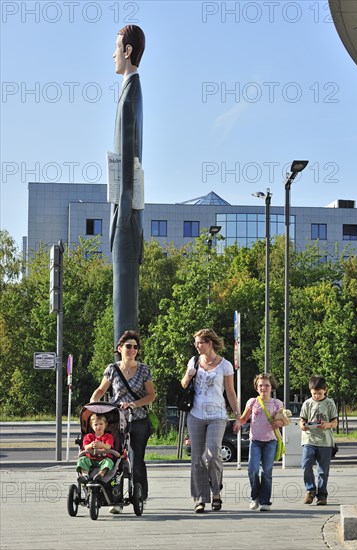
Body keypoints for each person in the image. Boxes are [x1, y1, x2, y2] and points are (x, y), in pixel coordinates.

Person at [90, 330, 155, 511]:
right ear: (119, 348)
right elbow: (101, 390)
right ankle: (115, 497)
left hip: (139, 418)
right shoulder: (112, 369)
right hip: (117, 419)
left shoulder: (143, 370)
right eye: (128, 346)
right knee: (116, 457)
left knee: (136, 459)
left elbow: (151, 395)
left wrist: (134, 404)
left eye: (135, 347)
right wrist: (92, 403)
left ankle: (140, 493)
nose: (132, 349)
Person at [110, 25, 145, 342]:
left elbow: (130, 156)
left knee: (123, 286)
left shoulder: (131, 94)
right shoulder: (130, 90)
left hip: (125, 211)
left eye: (116, 47)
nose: (113, 54)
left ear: (128, 50)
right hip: (127, 209)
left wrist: (123, 211)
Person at [181, 328, 239, 513]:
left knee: (214, 452)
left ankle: (216, 492)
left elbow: (230, 392)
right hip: (196, 414)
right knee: (197, 458)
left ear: (210, 343)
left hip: (217, 415)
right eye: (196, 343)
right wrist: (189, 374)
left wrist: (237, 414)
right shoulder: (194, 361)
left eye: (200, 343)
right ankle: (200, 498)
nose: (197, 346)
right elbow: (183, 384)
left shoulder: (225, 365)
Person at [234, 372, 284, 512]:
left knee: (267, 471)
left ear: (272, 387)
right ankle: (254, 497)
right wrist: (238, 423)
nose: (264, 388)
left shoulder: (277, 403)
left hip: (271, 441)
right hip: (255, 440)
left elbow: (285, 420)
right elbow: (244, 418)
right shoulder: (252, 402)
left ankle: (265, 501)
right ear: (256, 387)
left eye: (267, 385)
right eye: (260, 385)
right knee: (253, 469)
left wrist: (279, 423)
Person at [299, 375, 338, 506]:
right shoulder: (307, 403)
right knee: (306, 464)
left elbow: (335, 422)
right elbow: (302, 419)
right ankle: (310, 490)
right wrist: (302, 425)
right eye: (314, 393)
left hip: (325, 441)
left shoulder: (329, 403)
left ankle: (322, 494)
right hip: (309, 439)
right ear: (310, 391)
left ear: (325, 390)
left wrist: (328, 425)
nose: (316, 396)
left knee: (323, 470)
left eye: (319, 393)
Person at [76, 413, 114, 483]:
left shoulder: (108, 436)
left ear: (105, 425)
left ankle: (100, 474)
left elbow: (108, 446)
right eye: (96, 425)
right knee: (82, 459)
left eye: (101, 424)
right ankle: (85, 475)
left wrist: (101, 445)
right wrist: (90, 445)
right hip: (91, 459)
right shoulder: (88, 436)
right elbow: (85, 447)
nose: (98, 426)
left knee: (109, 462)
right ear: (91, 426)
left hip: (103, 459)